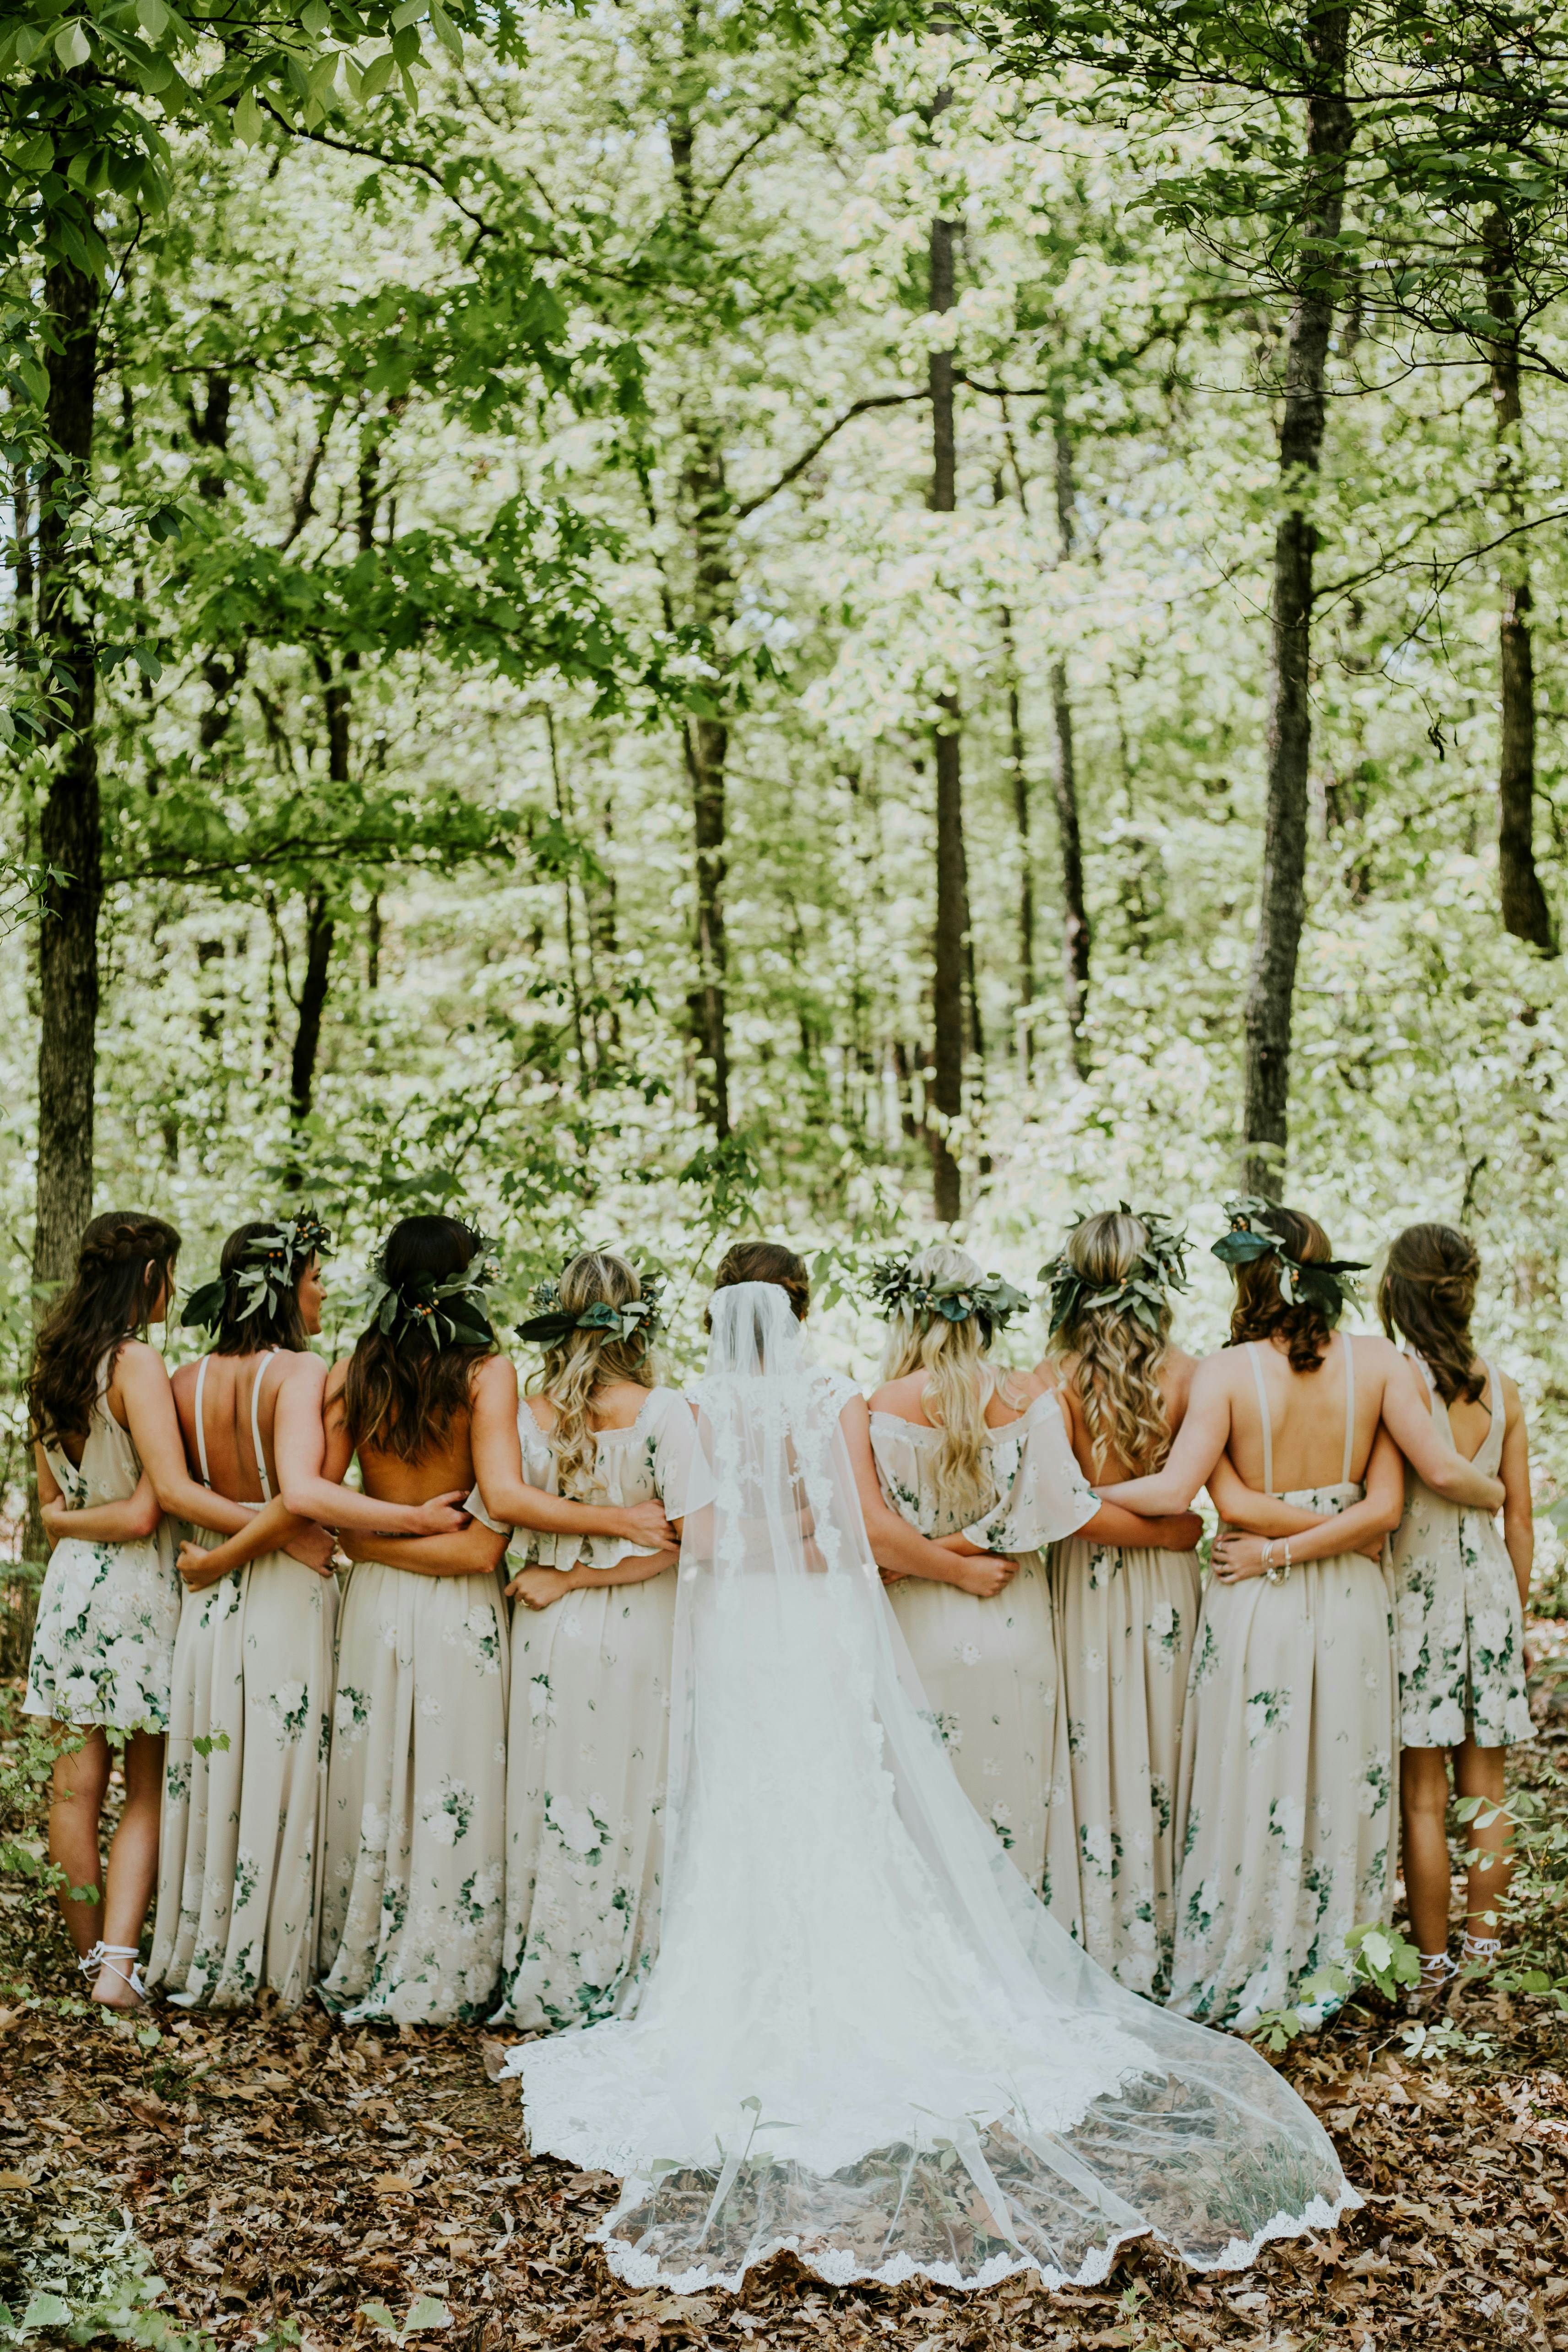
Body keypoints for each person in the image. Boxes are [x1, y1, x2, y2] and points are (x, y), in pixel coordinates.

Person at [511, 1268, 1357, 2295]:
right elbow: (848, 1531)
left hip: (741, 1630)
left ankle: (747, 1966)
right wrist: (934, 1554)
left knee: (748, 1804)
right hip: (820, 1622)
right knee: (841, 1798)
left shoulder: (697, 1406)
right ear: (800, 1322)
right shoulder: (830, 1401)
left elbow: (704, 1537)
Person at [1096, 1198, 1503, 2031]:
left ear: (1248, 1276)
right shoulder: (1383, 1365)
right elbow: (1383, 1509)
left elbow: (1205, 1495)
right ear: (1328, 1272)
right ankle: (1339, 1961)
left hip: (1257, 1599)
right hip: (1353, 1600)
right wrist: (1336, 1531)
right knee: (1343, 1778)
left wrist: (1066, 1497)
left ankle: (1247, 1951)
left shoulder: (1223, 1370)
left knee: (1252, 1776)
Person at [865, 1242, 1199, 1910]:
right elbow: (1060, 1507)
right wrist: (1168, 1531)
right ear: (983, 1313)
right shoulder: (1023, 1394)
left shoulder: (877, 1406)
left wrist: (925, 1553)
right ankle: (1024, 1961)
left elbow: (866, 1533)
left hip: (913, 1629)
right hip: (1015, 1621)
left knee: (924, 1809)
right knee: (1019, 1811)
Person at [24, 1212, 271, 2008]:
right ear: (146, 1276)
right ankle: (118, 1969)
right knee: (146, 1784)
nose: (177, 1285)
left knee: (72, 1788)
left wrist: (66, 1521)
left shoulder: (53, 1363)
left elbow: (52, 1507)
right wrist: (277, 1522)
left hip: (69, 1589)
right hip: (132, 1591)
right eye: (171, 1269)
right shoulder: (134, 1362)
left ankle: (90, 1952)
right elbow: (153, 1505)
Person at [483, 1251, 706, 2033]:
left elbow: (493, 1515)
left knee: (555, 1796)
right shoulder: (665, 1411)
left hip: (546, 1622)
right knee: (632, 1795)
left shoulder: (524, 1416)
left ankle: (552, 1971)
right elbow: (689, 1542)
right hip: (637, 1619)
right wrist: (586, 1575)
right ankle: (628, 1965)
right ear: (638, 1318)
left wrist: (567, 1577)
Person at [149, 1213, 340, 2008]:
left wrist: (228, 1543)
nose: (323, 1289)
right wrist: (286, 1536)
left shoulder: (180, 1379)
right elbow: (302, 1495)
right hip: (284, 1592)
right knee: (281, 1763)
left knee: (215, 1764)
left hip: (204, 1590)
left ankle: (204, 1942)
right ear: (283, 1285)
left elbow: (177, 1491)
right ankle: (271, 1960)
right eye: (315, 1275)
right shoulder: (303, 1372)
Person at [1036, 1209, 1202, 1995]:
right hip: (1166, 1572)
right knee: (1168, 1742)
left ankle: (1105, 1936)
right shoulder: (1192, 1373)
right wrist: (1164, 1534)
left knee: (1094, 1737)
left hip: (1085, 1572)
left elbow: (1054, 1500)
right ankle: (1172, 1934)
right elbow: (1190, 1502)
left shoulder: (1052, 1377)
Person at [1378, 1223, 1534, 1996]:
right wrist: (1517, 1615)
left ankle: (1434, 1961)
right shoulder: (1502, 1386)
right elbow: (1521, 1522)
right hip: (1491, 1597)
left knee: (1423, 1795)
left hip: (1418, 1599)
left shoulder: (1398, 1381)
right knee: (1487, 1790)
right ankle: (1484, 1955)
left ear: (1399, 1291)